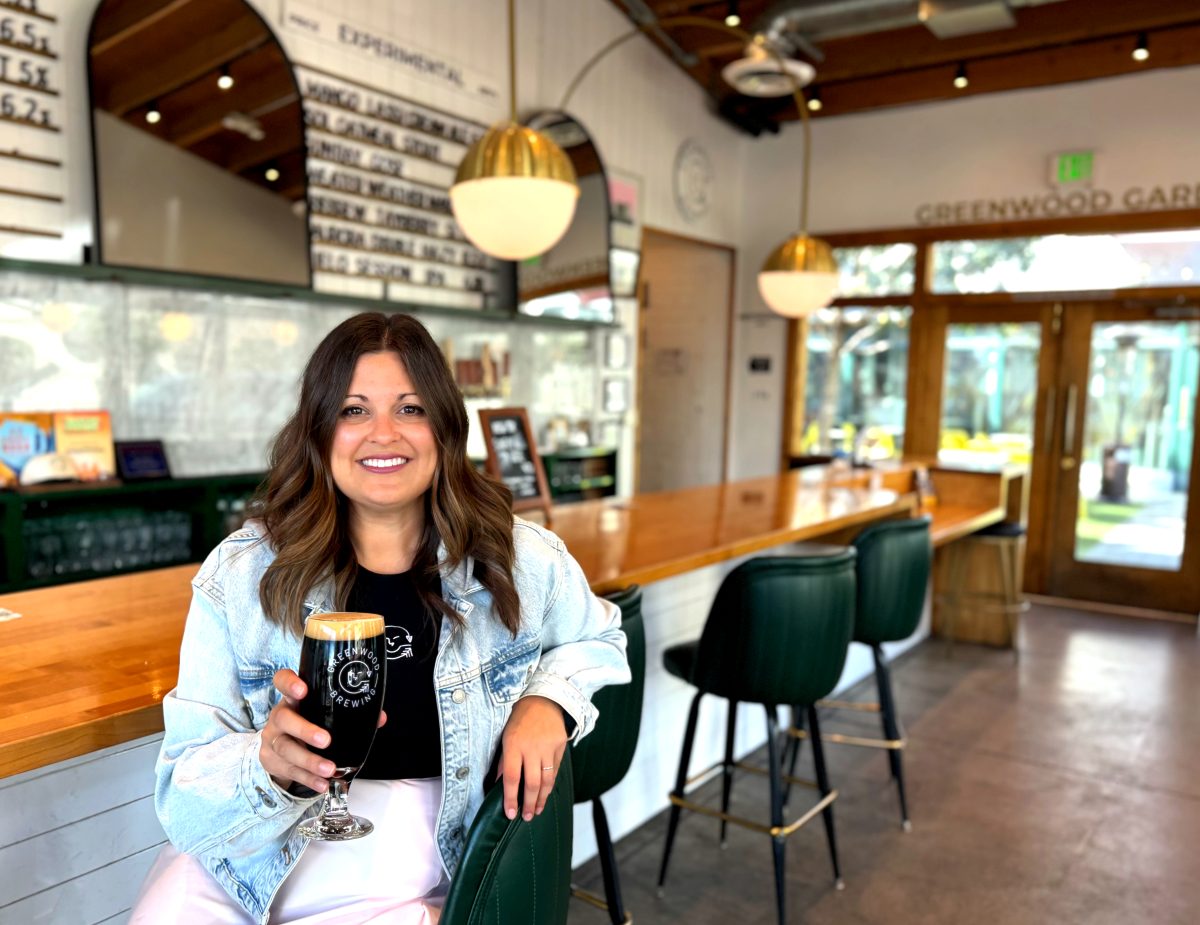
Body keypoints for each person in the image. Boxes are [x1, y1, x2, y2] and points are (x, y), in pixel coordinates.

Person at [131, 312, 630, 924]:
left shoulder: (519, 558)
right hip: (254, 848)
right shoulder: (241, 573)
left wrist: (547, 702)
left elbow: (600, 636)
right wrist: (266, 766)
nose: (384, 434)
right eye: (354, 410)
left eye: (410, 409)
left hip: (418, 847)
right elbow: (182, 798)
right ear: (319, 431)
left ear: (444, 427)